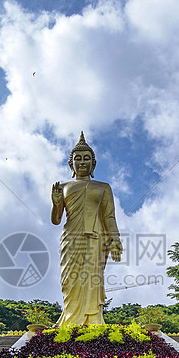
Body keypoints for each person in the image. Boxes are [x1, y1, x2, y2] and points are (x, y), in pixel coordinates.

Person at [51, 132, 122, 327]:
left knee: (92, 277)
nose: (82, 162)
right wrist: (57, 204)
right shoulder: (63, 186)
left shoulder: (103, 187)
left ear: (94, 164)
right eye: (78, 158)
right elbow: (56, 220)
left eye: (86, 158)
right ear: (70, 164)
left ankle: (93, 320)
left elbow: (109, 216)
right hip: (71, 237)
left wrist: (115, 240)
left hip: (95, 238)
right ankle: (69, 318)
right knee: (69, 279)